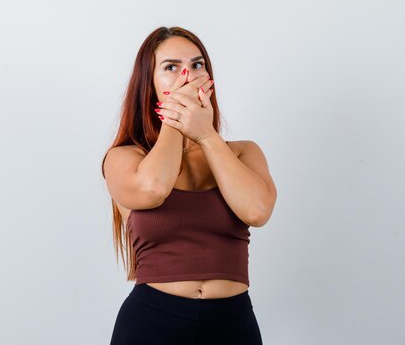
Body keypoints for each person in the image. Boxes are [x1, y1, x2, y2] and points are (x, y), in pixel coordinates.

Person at [101, 26, 277, 344]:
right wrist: (177, 120)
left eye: (197, 65)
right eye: (171, 67)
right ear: (149, 83)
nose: (188, 76)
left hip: (233, 323)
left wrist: (206, 135)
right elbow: (153, 189)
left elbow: (257, 210)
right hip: (151, 322)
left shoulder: (243, 152)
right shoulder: (124, 158)